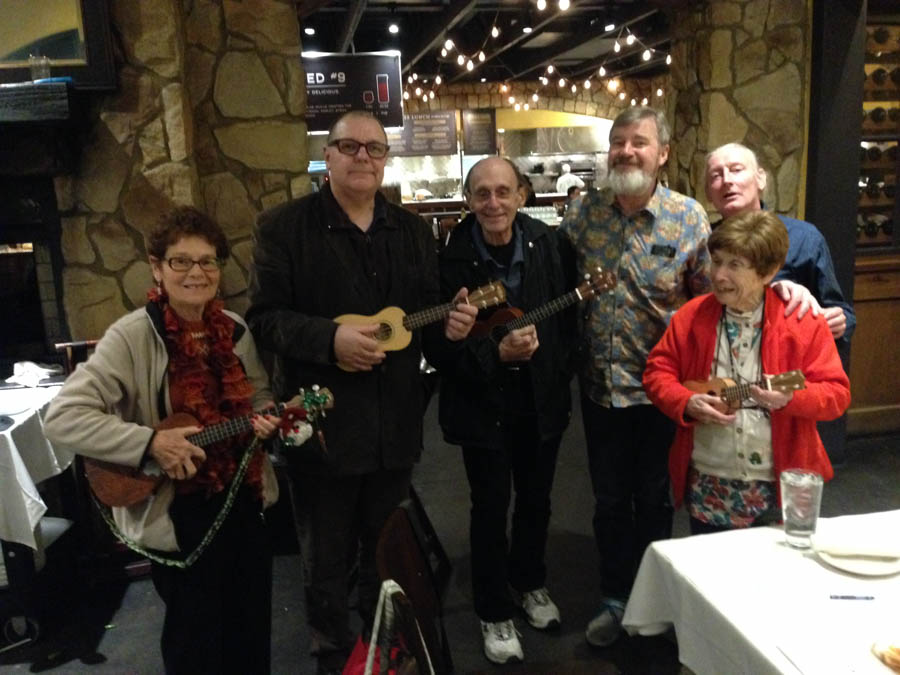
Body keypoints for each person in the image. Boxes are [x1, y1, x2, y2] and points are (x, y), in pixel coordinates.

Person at [245, 110, 477, 675]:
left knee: (385, 558)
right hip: (320, 431)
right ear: (329, 155)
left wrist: (451, 328)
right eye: (349, 146)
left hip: (392, 429)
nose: (362, 158)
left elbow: (421, 322)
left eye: (374, 149)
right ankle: (333, 661)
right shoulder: (282, 228)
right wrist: (330, 340)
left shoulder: (414, 232)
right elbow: (265, 318)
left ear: (385, 159)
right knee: (324, 567)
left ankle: (385, 657)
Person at [44, 206, 283, 673]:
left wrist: (268, 421)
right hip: (180, 513)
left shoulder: (235, 330)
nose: (197, 272)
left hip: (243, 500)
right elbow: (63, 416)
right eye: (181, 261)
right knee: (195, 644)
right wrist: (150, 444)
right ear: (157, 267)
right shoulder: (131, 336)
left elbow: (262, 398)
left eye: (208, 261)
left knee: (251, 634)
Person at [559, 105, 712, 649]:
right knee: (607, 502)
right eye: (618, 141)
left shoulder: (688, 218)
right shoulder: (582, 215)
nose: (626, 150)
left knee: (653, 500)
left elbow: (710, 301)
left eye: (638, 142)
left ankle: (653, 602)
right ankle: (614, 597)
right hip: (600, 390)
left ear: (662, 153)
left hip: (660, 395)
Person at [424, 157, 576, 665]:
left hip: (541, 401)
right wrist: (495, 355)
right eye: (482, 193)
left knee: (537, 502)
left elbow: (568, 316)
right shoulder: (449, 261)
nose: (493, 203)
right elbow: (438, 350)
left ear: (522, 195)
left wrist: (558, 368)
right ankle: (492, 609)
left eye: (503, 192)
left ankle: (529, 581)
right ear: (468, 200)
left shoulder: (549, 242)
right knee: (490, 510)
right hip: (482, 407)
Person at [643, 210, 851, 533]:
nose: (719, 275)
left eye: (735, 265)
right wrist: (685, 401)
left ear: (769, 272)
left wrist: (791, 397)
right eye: (717, 261)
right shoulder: (691, 316)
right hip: (710, 480)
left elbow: (836, 393)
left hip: (779, 483)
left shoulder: (802, 322)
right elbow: (657, 373)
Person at [705, 142, 856, 341]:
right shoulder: (701, 239)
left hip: (787, 360)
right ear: (709, 194)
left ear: (760, 178)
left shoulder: (805, 238)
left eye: (736, 170)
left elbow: (842, 313)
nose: (727, 180)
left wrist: (838, 321)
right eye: (716, 175)